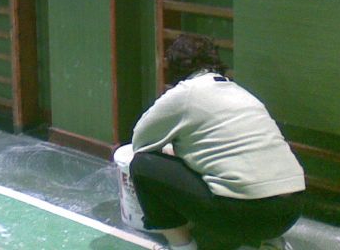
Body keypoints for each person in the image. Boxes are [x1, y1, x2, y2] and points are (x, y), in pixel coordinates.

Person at [130, 34, 305, 250]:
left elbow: (140, 141)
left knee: (142, 165)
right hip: (292, 209)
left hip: (247, 213)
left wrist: (173, 149)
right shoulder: (242, 93)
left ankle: (182, 245)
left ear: (174, 67)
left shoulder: (186, 93)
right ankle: (269, 241)